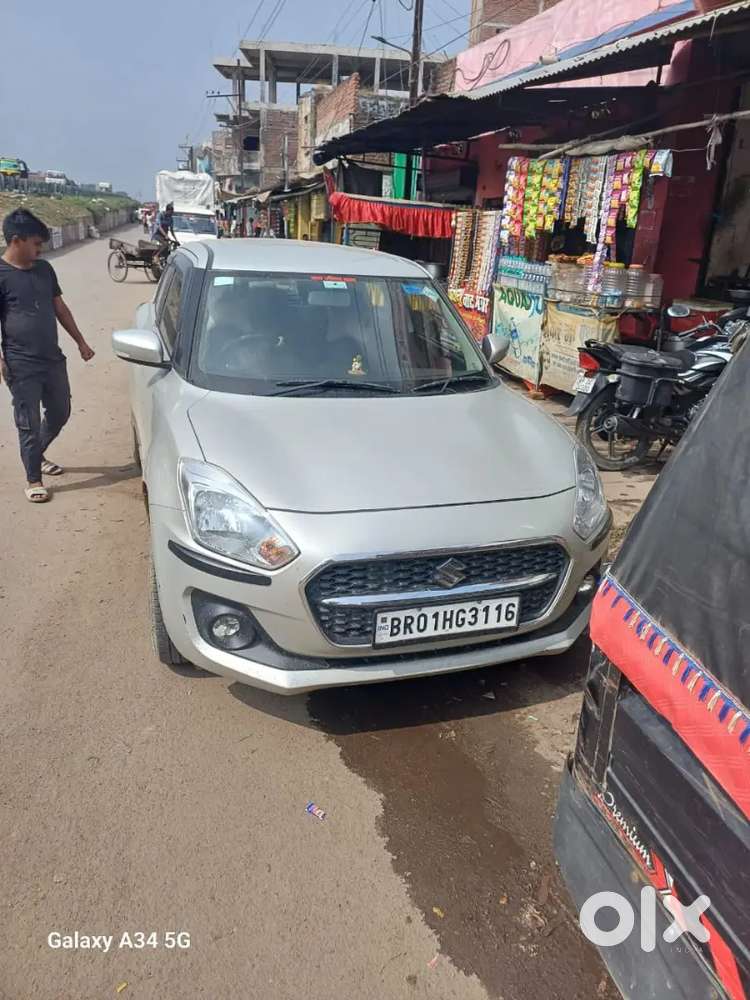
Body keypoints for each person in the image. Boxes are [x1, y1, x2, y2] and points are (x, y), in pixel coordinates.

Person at [0, 209, 95, 503]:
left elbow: (60, 308)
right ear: (17, 241)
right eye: (36, 243)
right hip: (20, 362)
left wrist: (80, 341)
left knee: (60, 412)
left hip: (52, 359)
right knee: (27, 421)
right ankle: (34, 478)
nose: (40, 249)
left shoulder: (44, 270)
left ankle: (35, 455)